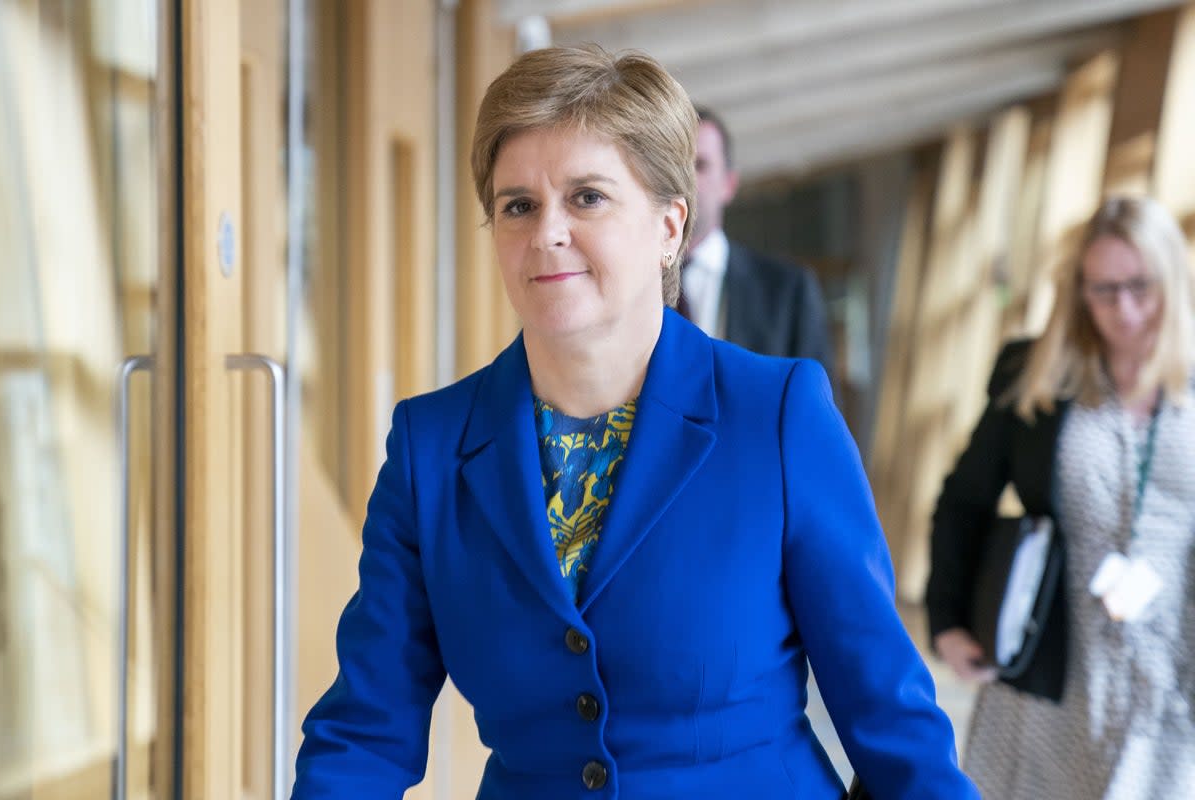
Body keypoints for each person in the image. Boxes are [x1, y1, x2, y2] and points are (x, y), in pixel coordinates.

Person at [292, 44, 975, 799]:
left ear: (669, 227)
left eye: (587, 197)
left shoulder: (777, 416)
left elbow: (891, 718)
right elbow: (365, 729)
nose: (548, 231)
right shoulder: (431, 449)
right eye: (518, 205)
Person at [927, 195, 1195, 798]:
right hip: (1053, 670)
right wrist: (946, 621)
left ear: (1172, 281)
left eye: (1139, 287)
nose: (1122, 309)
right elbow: (965, 499)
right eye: (1102, 290)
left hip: (1173, 677)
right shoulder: (1038, 371)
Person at [682, 105, 833, 373]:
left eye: (700, 165)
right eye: (676, 165)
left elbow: (818, 409)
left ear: (729, 184)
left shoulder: (788, 290)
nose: (685, 180)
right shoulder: (631, 282)